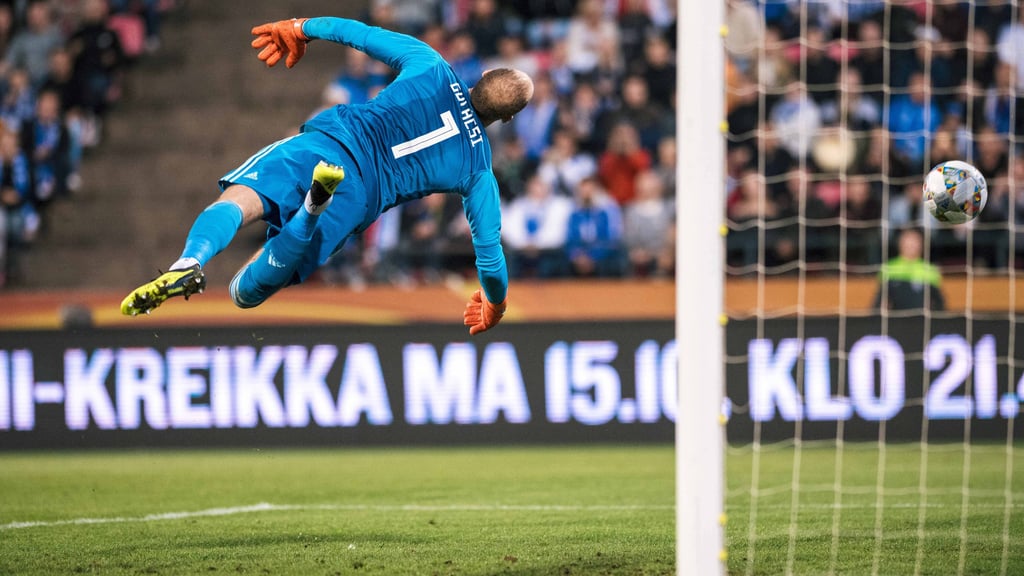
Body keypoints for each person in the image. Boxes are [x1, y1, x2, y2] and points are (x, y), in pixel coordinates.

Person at [120, 16, 534, 336]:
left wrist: (299, 28)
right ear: (508, 117)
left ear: (482, 76)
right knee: (245, 291)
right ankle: (312, 211)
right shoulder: (478, 169)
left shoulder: (430, 64)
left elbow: (356, 32)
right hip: (357, 198)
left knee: (239, 202)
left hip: (328, 145)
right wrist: (495, 306)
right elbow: (490, 256)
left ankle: (190, 260)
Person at [873, 228, 946, 311]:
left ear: (921, 244)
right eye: (907, 241)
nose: (911, 245)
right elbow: (879, 301)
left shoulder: (930, 269)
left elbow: (939, 303)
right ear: (900, 243)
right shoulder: (888, 267)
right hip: (895, 320)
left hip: (921, 319)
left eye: (915, 241)